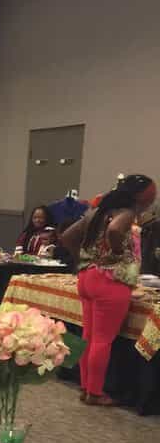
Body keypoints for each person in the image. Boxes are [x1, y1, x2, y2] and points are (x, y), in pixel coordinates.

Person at [59, 174, 156, 406]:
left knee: (89, 337)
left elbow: (67, 236)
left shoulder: (97, 212)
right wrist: (117, 254)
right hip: (111, 281)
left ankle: (85, 387)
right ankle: (95, 392)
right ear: (142, 196)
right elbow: (115, 230)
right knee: (103, 340)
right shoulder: (126, 214)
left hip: (87, 277)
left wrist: (84, 260)